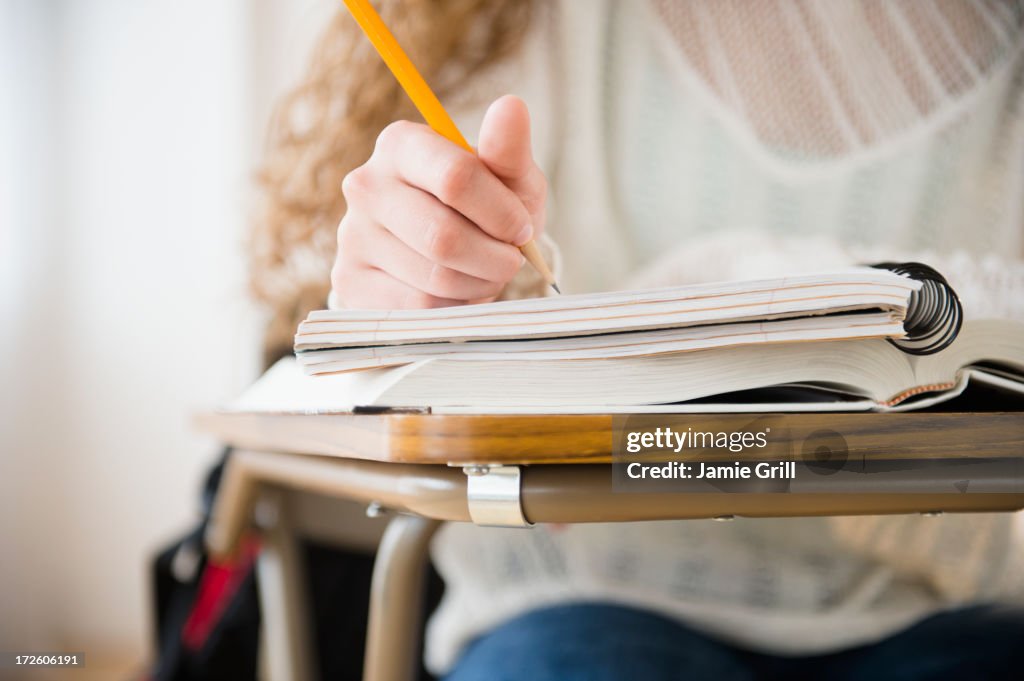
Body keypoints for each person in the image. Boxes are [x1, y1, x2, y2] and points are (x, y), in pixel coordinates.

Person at [250, 1, 1024, 679]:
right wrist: (403, 299)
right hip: (579, 602)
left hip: (951, 607)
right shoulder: (519, 23)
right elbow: (383, 338)